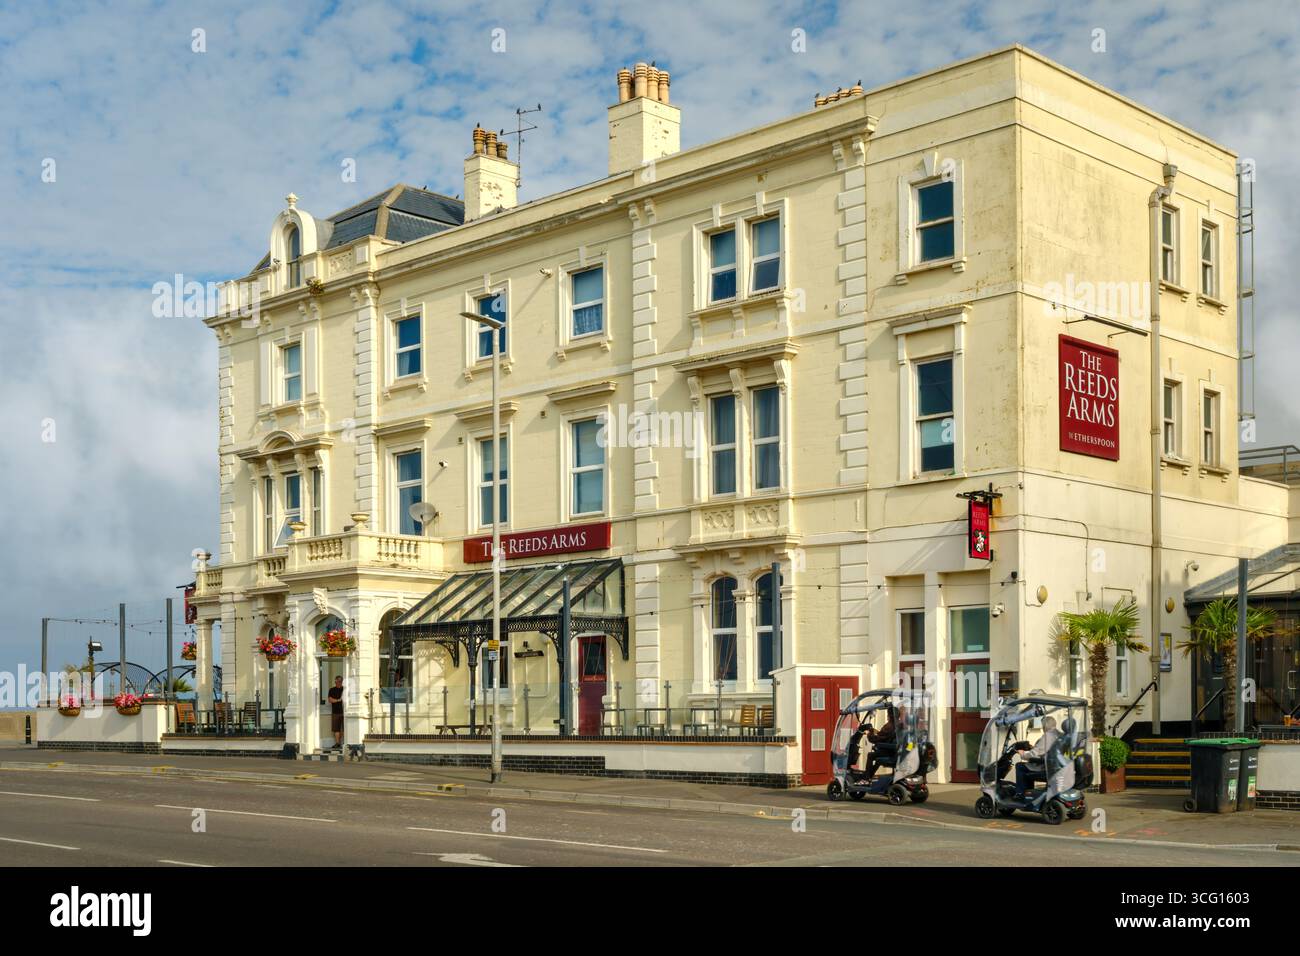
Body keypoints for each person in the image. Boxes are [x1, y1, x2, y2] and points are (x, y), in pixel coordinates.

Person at [1013, 715, 1058, 799]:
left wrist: (1022, 753)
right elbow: (1043, 750)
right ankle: (1029, 793)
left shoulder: (1048, 736)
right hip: (1055, 767)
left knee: (1020, 766)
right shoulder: (1057, 734)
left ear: (1045, 725)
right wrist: (1033, 747)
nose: (1042, 727)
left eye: (1043, 725)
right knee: (1028, 766)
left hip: (1045, 768)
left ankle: (1020, 793)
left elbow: (1034, 754)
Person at [863, 707, 898, 779]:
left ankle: (866, 777)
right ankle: (870, 775)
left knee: (870, 755)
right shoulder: (898, 724)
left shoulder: (889, 726)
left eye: (888, 713)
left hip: (889, 752)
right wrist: (878, 732)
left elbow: (876, 739)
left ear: (890, 715)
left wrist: (870, 733)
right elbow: (885, 736)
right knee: (877, 758)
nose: (887, 715)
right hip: (893, 751)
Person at [327, 675, 345, 750]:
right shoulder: (332, 690)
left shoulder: (344, 689)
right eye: (338, 681)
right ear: (335, 681)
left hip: (345, 712)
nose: (339, 682)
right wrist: (338, 700)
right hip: (336, 712)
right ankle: (338, 743)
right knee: (336, 729)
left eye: (340, 681)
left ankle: (343, 743)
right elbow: (330, 700)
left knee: (344, 728)